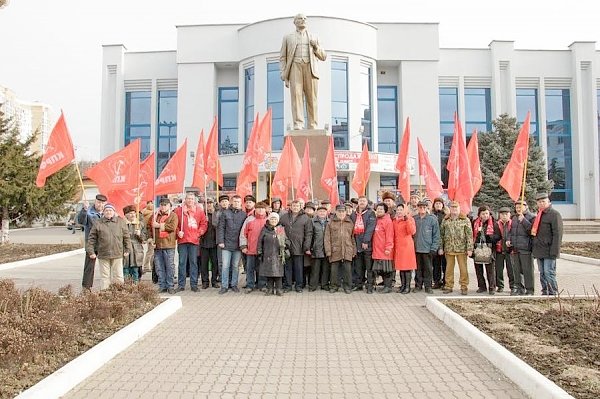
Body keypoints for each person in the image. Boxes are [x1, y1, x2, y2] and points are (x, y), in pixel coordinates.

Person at [279, 14, 327, 130]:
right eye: (300, 18)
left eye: (305, 19)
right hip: (295, 67)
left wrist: (316, 47)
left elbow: (323, 56)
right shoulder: (288, 37)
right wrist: (283, 73)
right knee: (296, 96)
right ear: (295, 22)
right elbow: (283, 57)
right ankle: (298, 124)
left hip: (310, 69)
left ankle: (313, 124)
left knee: (312, 98)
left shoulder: (314, 37)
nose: (303, 20)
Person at [86, 203, 131, 290]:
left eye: (110, 210)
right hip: (103, 254)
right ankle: (105, 294)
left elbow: (126, 237)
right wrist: (91, 252)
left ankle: (119, 294)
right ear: (103, 212)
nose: (108, 212)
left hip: (117, 253)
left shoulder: (121, 222)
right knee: (105, 277)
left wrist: (127, 249)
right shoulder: (98, 223)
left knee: (118, 276)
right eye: (106, 210)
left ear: (114, 211)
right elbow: (91, 238)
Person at [531, 192, 563, 296]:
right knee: (542, 273)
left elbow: (557, 234)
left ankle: (553, 292)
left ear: (548, 202)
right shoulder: (539, 215)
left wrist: (555, 251)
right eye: (539, 202)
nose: (541, 203)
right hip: (539, 249)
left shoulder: (554, 214)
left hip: (549, 250)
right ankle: (545, 291)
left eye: (543, 201)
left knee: (549, 272)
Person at [175, 193, 208, 292]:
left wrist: (199, 233)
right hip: (182, 240)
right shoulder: (178, 211)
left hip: (194, 241)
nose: (190, 200)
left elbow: (203, 224)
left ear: (195, 200)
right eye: (188, 198)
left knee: (193, 263)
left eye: (192, 199)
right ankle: (181, 285)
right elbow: (174, 224)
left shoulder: (200, 211)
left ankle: (194, 285)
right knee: (182, 263)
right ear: (185, 200)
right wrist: (177, 232)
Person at [440, 201, 473, 295]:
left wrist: (469, 248)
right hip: (449, 248)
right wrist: (441, 247)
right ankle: (448, 286)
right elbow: (441, 235)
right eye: (452, 208)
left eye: (456, 208)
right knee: (449, 268)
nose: (454, 210)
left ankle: (464, 286)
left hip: (461, 249)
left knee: (463, 268)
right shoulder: (445, 220)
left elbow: (469, 235)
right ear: (450, 209)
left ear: (459, 209)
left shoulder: (465, 220)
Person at [279, 200, 312, 293]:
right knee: (287, 268)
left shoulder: (305, 218)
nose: (295, 207)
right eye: (293, 206)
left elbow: (309, 233)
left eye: (297, 206)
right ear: (290, 206)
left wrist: (306, 246)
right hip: (286, 247)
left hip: (299, 246)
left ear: (301, 207)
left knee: (299, 268)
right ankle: (288, 286)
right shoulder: (284, 217)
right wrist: (282, 243)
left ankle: (299, 286)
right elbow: (279, 229)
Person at [216, 195, 247, 294]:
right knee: (225, 266)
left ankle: (234, 284)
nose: (237, 203)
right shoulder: (225, 213)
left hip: (238, 245)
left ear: (240, 203)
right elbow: (221, 228)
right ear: (231, 202)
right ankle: (224, 286)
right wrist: (220, 241)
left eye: (238, 201)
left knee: (235, 266)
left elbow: (245, 230)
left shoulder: (243, 214)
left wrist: (243, 244)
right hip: (226, 244)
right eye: (235, 201)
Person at [324, 205, 356, 294]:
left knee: (347, 270)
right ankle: (334, 286)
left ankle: (347, 287)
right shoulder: (331, 223)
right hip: (335, 250)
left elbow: (353, 238)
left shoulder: (350, 223)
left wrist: (354, 250)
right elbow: (327, 238)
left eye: (343, 211)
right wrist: (328, 251)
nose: (341, 213)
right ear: (336, 212)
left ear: (346, 212)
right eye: (339, 211)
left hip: (347, 249)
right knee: (334, 270)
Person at [77, 193, 107, 290]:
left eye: (103, 203)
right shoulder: (89, 212)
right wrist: (84, 210)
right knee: (89, 267)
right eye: (98, 202)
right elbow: (81, 221)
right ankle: (86, 287)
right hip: (92, 244)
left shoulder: (107, 213)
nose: (100, 205)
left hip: (104, 244)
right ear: (95, 202)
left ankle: (107, 286)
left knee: (106, 266)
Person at [150, 198, 178, 294]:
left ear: (169, 206)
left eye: (165, 205)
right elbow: (150, 228)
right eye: (161, 205)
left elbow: (172, 227)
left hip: (169, 244)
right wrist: (151, 239)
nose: (163, 206)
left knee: (169, 266)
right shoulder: (155, 216)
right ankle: (162, 285)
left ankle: (170, 285)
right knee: (159, 267)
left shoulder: (173, 215)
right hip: (157, 245)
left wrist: (159, 225)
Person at [240, 202, 268, 293]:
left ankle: (262, 285)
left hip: (264, 250)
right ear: (255, 209)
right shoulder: (249, 220)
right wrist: (243, 246)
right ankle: (250, 285)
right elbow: (243, 234)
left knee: (262, 269)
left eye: (262, 208)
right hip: (251, 249)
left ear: (265, 209)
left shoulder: (268, 220)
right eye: (259, 208)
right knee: (250, 268)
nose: (260, 210)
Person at [258, 212, 289, 296]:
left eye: (275, 219)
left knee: (278, 273)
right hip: (267, 253)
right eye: (272, 218)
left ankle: (279, 289)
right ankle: (270, 289)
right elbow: (260, 241)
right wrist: (259, 251)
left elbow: (286, 240)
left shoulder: (280, 229)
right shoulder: (264, 229)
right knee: (269, 273)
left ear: (278, 220)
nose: (273, 220)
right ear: (269, 219)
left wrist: (285, 244)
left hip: (278, 254)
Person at [508, 200, 535, 295]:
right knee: (517, 270)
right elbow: (510, 231)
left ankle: (530, 289)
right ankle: (519, 288)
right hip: (515, 247)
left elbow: (532, 231)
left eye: (520, 207)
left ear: (526, 207)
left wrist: (523, 220)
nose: (518, 209)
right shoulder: (514, 218)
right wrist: (509, 239)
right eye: (517, 207)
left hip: (525, 247)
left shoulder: (531, 217)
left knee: (527, 270)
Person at [472, 205, 501, 295]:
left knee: (490, 270)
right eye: (483, 214)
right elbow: (472, 235)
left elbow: (498, 236)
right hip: (478, 247)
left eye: (487, 213)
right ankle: (482, 286)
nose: (485, 215)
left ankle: (492, 287)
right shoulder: (475, 222)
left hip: (489, 248)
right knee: (478, 269)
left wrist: (489, 237)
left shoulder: (494, 223)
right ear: (479, 214)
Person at [413, 200, 440, 294]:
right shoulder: (414, 219)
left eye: (424, 207)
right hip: (416, 248)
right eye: (420, 207)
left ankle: (428, 286)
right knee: (418, 269)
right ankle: (418, 285)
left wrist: (434, 247)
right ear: (417, 208)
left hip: (428, 248)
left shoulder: (432, 219)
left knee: (428, 268)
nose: (422, 209)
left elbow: (436, 235)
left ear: (427, 208)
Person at [350, 196, 376, 292]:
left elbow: (370, 228)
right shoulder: (353, 214)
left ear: (367, 202)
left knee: (369, 267)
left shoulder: (371, 213)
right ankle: (358, 284)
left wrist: (366, 241)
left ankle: (370, 285)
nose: (361, 202)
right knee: (358, 266)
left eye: (363, 201)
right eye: (360, 201)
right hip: (357, 243)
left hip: (367, 244)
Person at [393, 203, 417, 294]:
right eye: (398, 210)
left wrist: (407, 220)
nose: (399, 211)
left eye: (401, 210)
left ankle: (407, 286)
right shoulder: (395, 220)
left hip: (407, 246)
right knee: (401, 267)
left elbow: (412, 231)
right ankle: (403, 285)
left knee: (407, 267)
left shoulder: (410, 219)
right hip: (398, 246)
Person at [372, 203, 395, 293]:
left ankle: (388, 287)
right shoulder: (376, 220)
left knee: (387, 270)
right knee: (380, 269)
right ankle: (384, 285)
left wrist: (388, 248)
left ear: (385, 211)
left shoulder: (388, 221)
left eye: (381, 209)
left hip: (385, 250)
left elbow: (390, 236)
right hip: (377, 249)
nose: (379, 211)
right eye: (378, 209)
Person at [123, 205, 147, 283]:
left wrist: (139, 234)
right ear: (126, 215)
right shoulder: (122, 224)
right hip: (125, 249)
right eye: (130, 213)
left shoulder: (140, 224)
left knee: (136, 269)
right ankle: (127, 287)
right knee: (125, 268)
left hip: (137, 249)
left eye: (134, 213)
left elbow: (144, 239)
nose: (133, 215)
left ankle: (136, 286)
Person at [309, 205, 330, 291]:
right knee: (315, 269)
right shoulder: (312, 222)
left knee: (325, 268)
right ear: (317, 212)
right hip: (316, 248)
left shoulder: (330, 222)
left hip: (326, 248)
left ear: (327, 213)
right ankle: (313, 286)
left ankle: (324, 284)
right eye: (320, 211)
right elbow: (309, 235)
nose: (322, 213)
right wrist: (309, 247)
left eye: (324, 211)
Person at [199, 198, 219, 289]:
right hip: (203, 243)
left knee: (215, 263)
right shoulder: (201, 215)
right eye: (207, 203)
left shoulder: (217, 214)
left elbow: (219, 227)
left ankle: (214, 281)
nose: (209, 205)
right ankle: (205, 282)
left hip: (214, 243)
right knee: (204, 264)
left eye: (210, 203)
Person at [495, 207, 515, 294]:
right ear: (499, 215)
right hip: (499, 250)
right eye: (502, 214)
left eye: (506, 214)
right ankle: (500, 286)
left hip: (510, 251)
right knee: (499, 270)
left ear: (509, 215)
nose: (504, 216)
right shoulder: (496, 224)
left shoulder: (513, 224)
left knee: (511, 270)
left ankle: (513, 286)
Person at [431, 197, 447, 289]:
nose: (438, 205)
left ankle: (445, 281)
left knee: (445, 264)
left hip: (444, 243)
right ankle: (436, 281)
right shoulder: (431, 215)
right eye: (436, 203)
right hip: (434, 243)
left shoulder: (446, 216)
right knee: (436, 264)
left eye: (440, 203)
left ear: (442, 205)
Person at [141, 200, 155, 274]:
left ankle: (148, 266)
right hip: (150, 234)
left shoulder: (143, 212)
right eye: (150, 203)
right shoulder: (151, 213)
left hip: (147, 233)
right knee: (151, 251)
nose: (151, 205)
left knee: (150, 251)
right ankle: (147, 266)